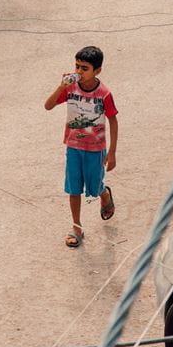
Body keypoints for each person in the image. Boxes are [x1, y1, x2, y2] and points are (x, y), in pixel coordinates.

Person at [44, 46, 118, 248]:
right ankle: (76, 226)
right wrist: (60, 87)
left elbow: (113, 120)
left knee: (93, 188)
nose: (78, 72)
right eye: (76, 66)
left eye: (84, 68)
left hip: (95, 149)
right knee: (74, 188)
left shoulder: (104, 93)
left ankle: (104, 194)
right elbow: (48, 105)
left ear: (97, 70)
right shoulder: (70, 89)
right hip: (74, 146)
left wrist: (111, 152)